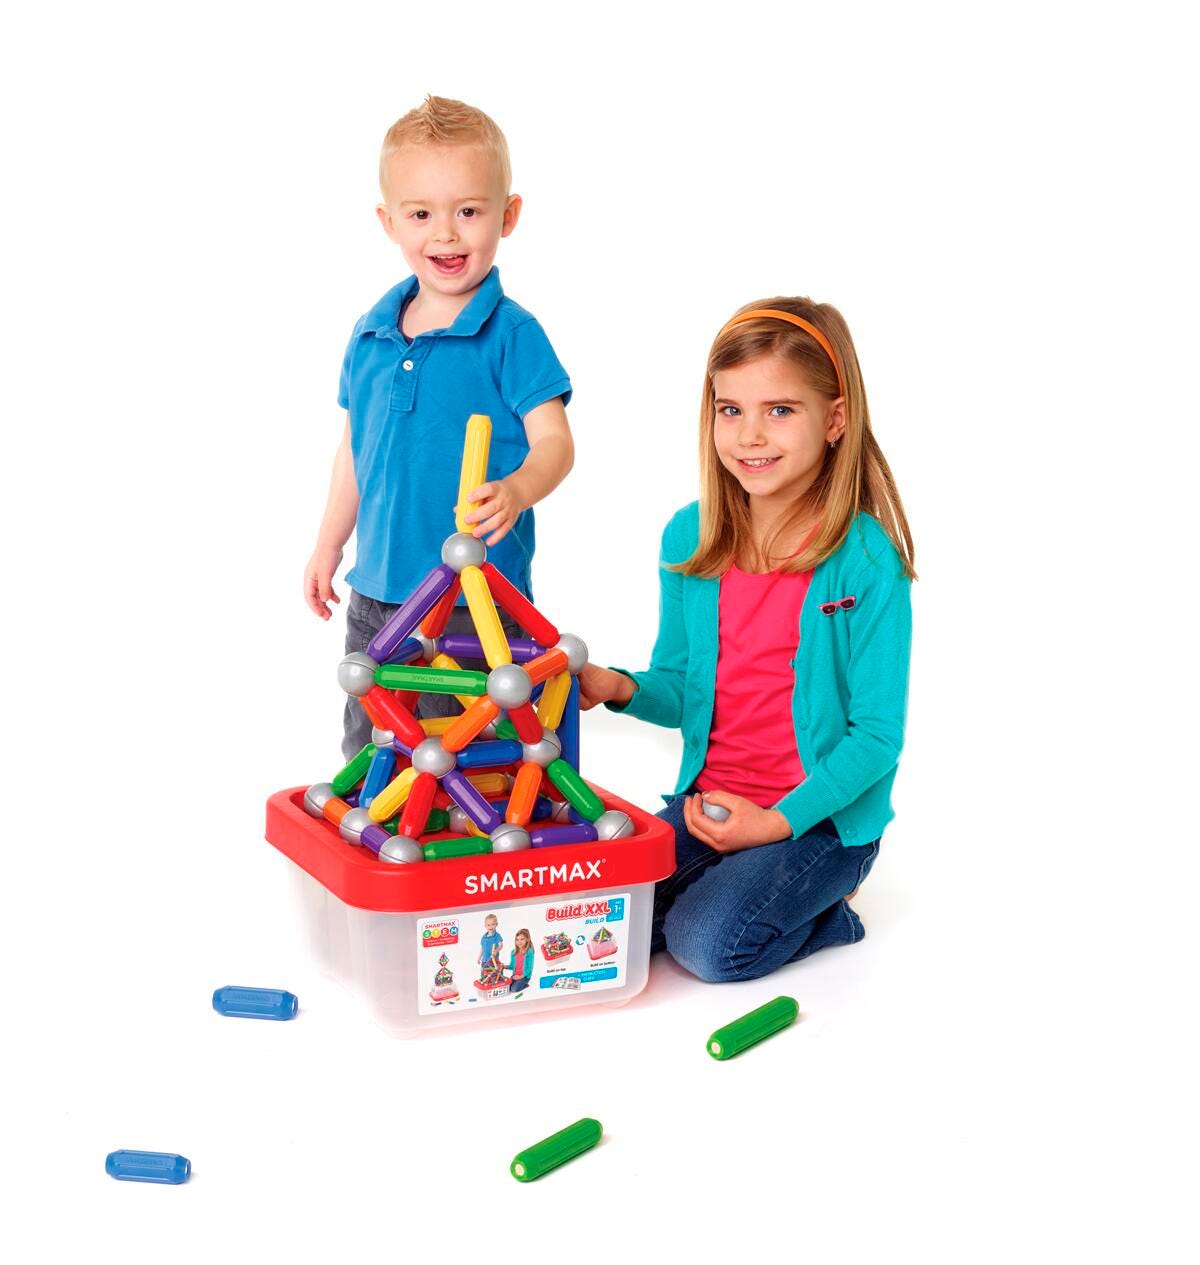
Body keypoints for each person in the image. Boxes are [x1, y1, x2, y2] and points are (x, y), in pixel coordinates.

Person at [579, 297, 914, 983]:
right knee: (600, 923)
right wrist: (618, 687)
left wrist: (776, 824)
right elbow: (684, 688)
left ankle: (832, 912)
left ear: (835, 420)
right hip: (709, 806)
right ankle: (743, 886)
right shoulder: (691, 536)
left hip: (816, 822)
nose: (750, 435)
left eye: (780, 410)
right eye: (730, 409)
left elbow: (877, 737)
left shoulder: (865, 560)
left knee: (706, 944)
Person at [303, 96, 574, 758]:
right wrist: (328, 544)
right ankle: (379, 825)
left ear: (508, 216)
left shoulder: (512, 334)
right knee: (375, 745)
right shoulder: (370, 334)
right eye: (422, 214)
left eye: (469, 211)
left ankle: (472, 827)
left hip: (472, 596)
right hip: (378, 590)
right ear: (389, 222)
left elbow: (556, 443)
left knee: (466, 750)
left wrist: (517, 489)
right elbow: (354, 452)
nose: (446, 234)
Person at [506, 928, 534, 995]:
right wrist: (504, 966)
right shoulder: (513, 952)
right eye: (517, 939)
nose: (519, 942)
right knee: (507, 988)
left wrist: (521, 976)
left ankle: (525, 985)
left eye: (522, 939)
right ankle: (519, 983)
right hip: (515, 976)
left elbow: (529, 968)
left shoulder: (529, 952)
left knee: (513, 989)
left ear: (527, 940)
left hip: (524, 977)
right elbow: (512, 966)